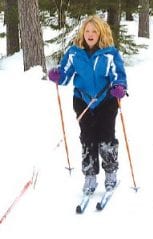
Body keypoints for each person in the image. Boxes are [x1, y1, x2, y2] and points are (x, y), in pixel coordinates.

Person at [48, 15, 127, 193]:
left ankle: (110, 173)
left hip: (106, 100)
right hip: (82, 100)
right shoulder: (74, 53)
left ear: (101, 33)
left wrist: (119, 87)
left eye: (94, 31)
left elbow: (118, 74)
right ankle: (90, 176)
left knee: (106, 138)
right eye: (87, 31)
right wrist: (57, 75)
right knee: (87, 138)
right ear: (83, 33)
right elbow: (65, 74)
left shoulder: (110, 53)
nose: (90, 34)